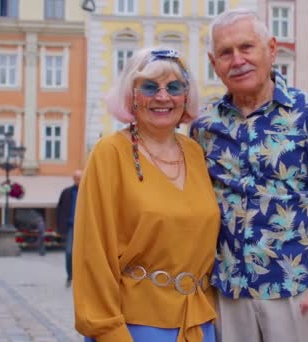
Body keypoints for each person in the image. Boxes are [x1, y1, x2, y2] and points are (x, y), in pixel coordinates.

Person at [190, 9, 308, 342]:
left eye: (246, 47)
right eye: (225, 52)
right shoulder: (203, 126)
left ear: (271, 49)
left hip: (298, 288)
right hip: (229, 292)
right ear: (214, 63)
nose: (237, 60)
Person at [73, 47, 221, 342]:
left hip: (199, 323)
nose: (163, 97)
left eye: (174, 87)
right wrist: (107, 329)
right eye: (150, 87)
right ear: (132, 96)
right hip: (137, 325)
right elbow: (93, 251)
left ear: (185, 96)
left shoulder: (194, 152)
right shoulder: (110, 153)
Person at [56, 169, 82, 287]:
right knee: (68, 252)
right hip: (71, 226)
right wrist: (60, 227)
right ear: (73, 179)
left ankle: (82, 278)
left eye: (80, 178)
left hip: (85, 226)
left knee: (85, 254)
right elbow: (59, 210)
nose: (78, 180)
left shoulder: (88, 192)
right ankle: (70, 275)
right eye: (76, 178)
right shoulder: (66, 192)